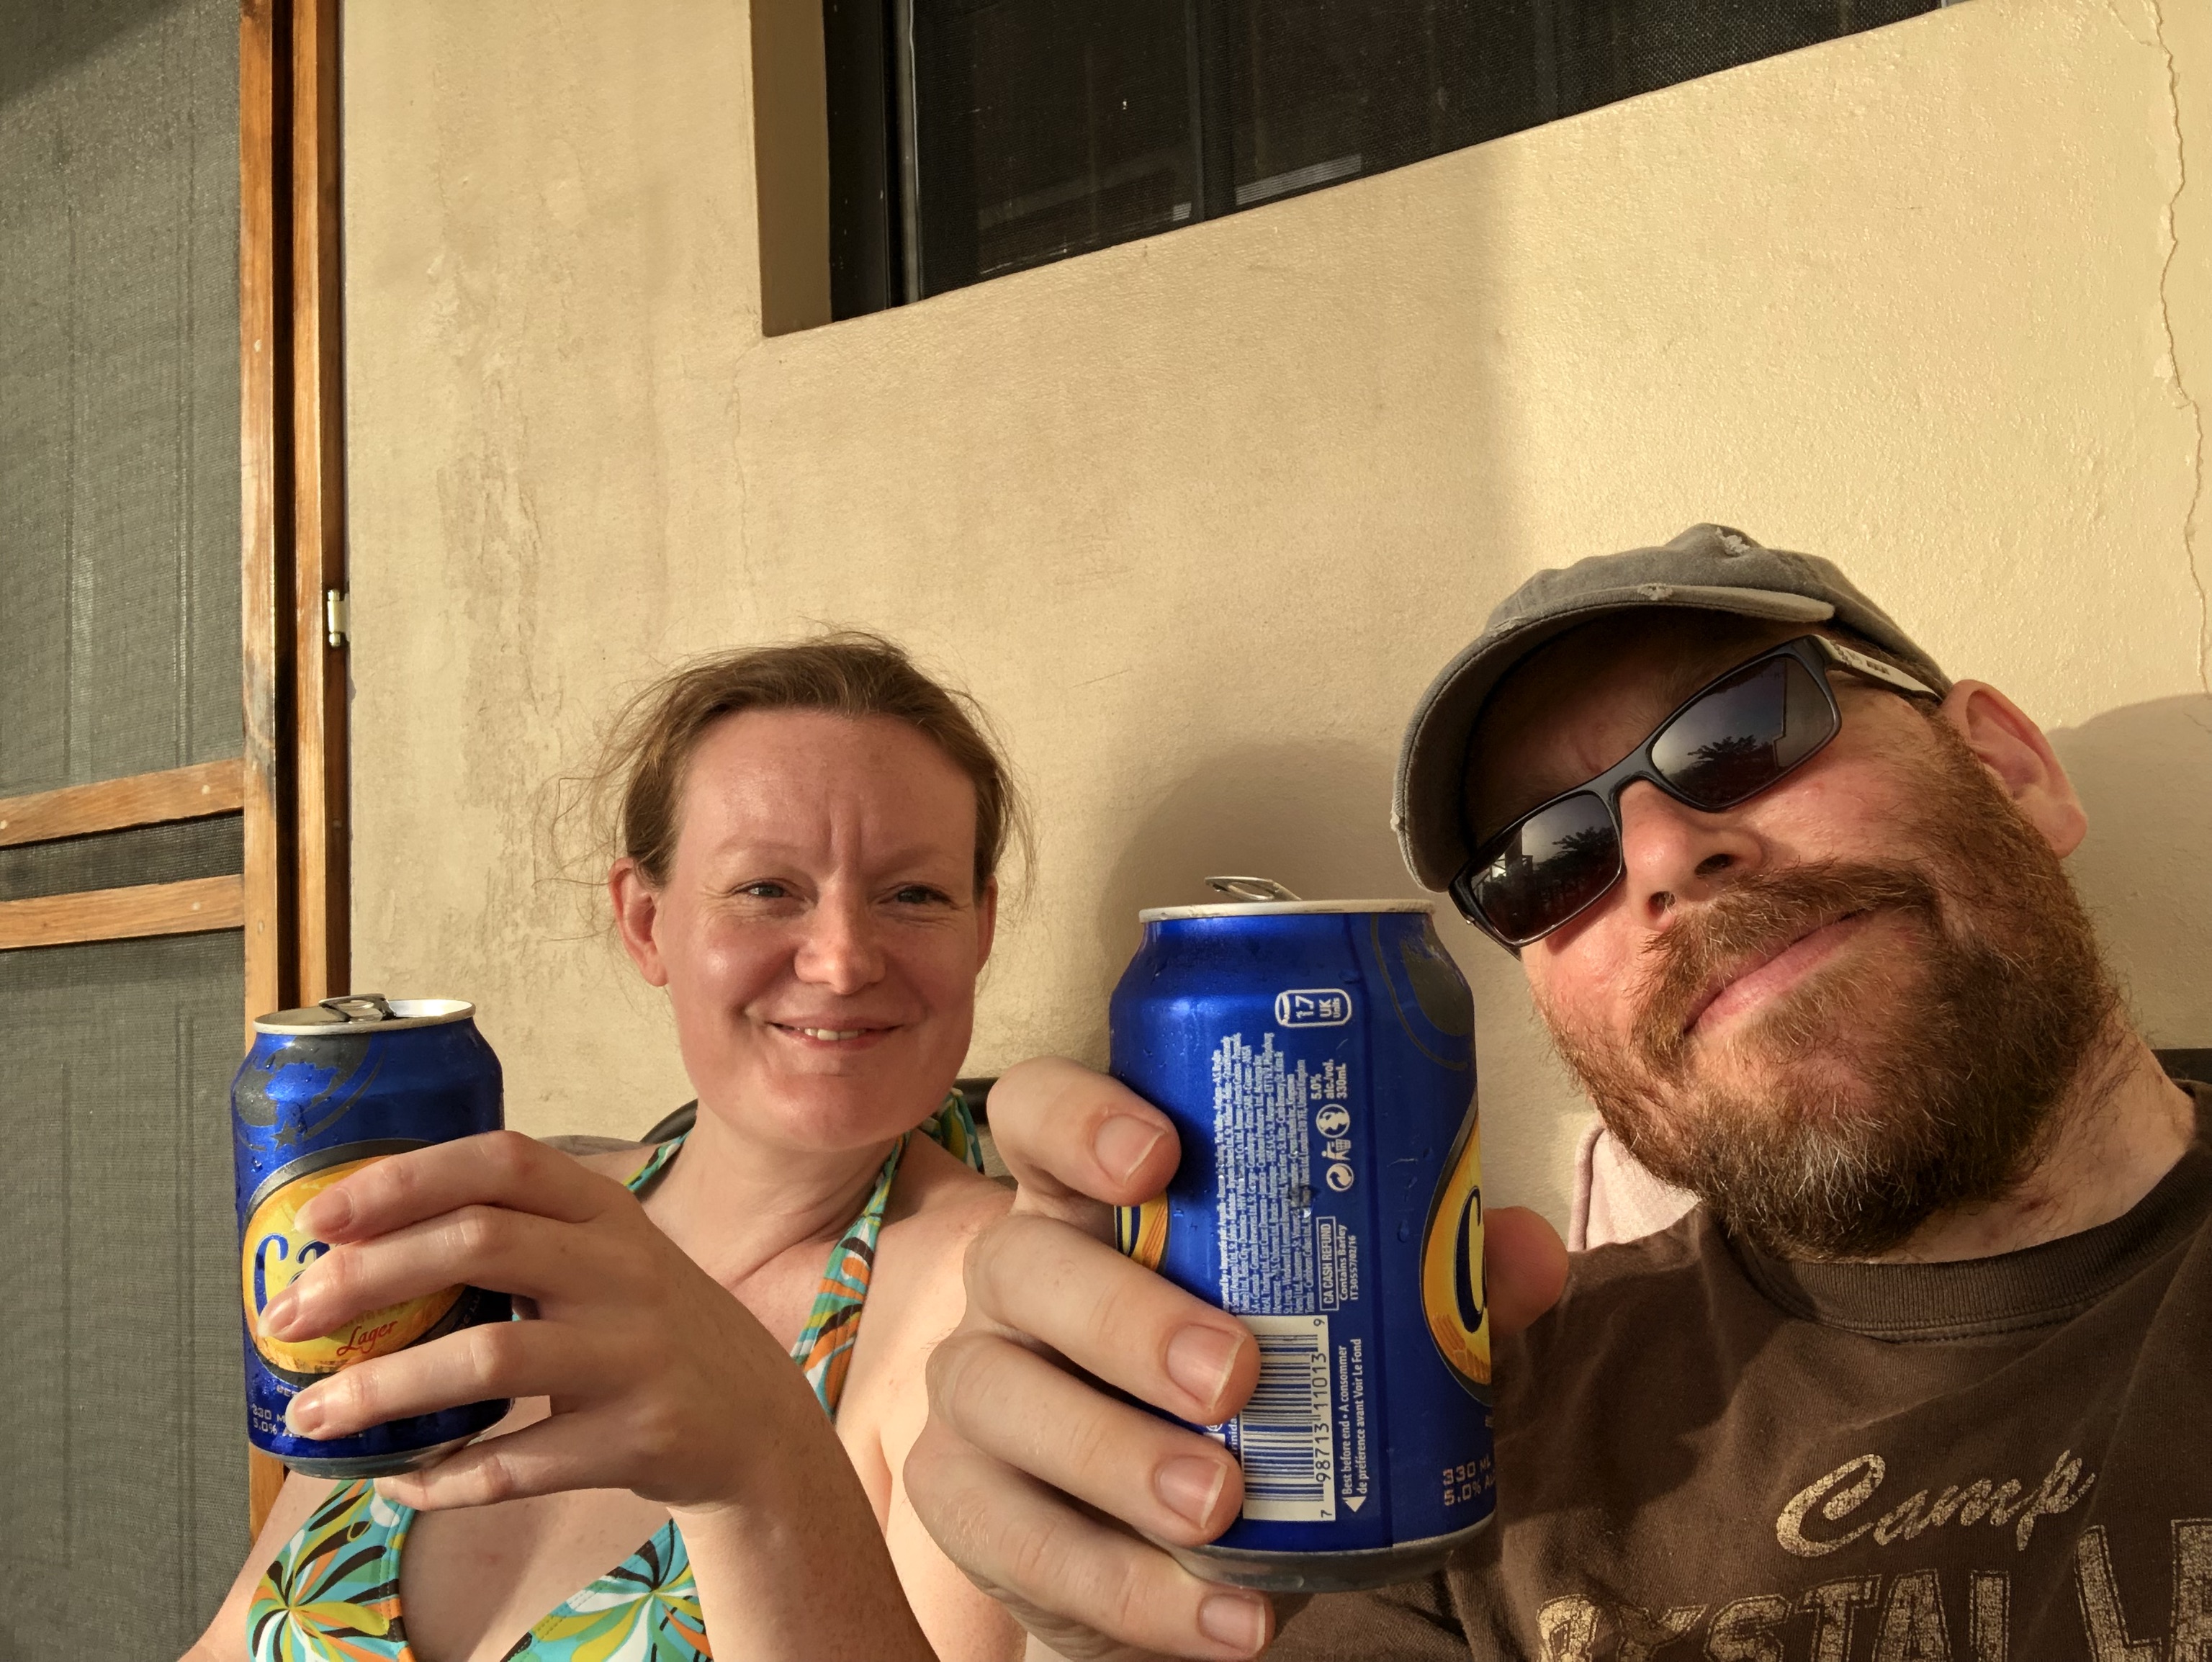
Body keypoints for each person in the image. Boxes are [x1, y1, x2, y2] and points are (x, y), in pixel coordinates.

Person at [902, 526, 2212, 1660]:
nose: (1660, 857)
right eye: (1547, 860)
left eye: (1741, 732)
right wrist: (1172, 1616)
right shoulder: (1467, 1440)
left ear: (2009, 766)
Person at [186, 634, 1025, 1661]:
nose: (844, 960)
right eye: (766, 889)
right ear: (644, 920)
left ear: (981, 928)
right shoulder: (502, 1229)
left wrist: (768, 1467)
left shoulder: (995, 1305)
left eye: (915, 895)